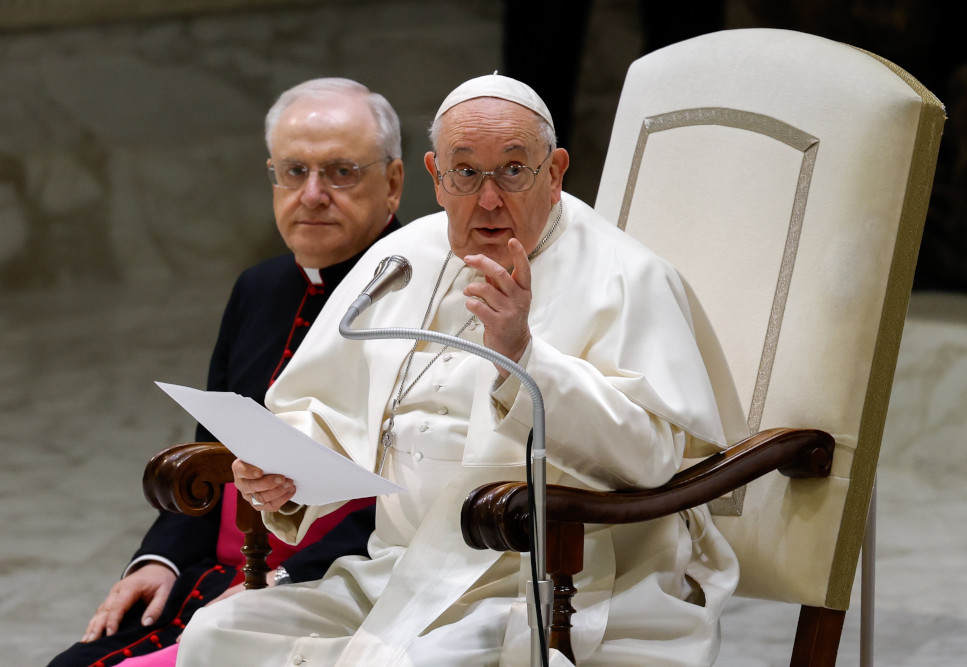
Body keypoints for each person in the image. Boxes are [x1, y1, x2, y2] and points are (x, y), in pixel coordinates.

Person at [176, 74, 743, 666]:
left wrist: (525, 353)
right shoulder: (403, 260)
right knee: (218, 634)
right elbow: (329, 410)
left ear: (555, 174)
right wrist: (281, 472)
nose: (489, 199)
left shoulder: (627, 275)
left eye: (514, 170)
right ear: (436, 177)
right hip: (399, 569)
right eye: (466, 172)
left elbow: (651, 455)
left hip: (543, 583)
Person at [48, 77, 404, 667]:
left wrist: (290, 576)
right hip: (217, 575)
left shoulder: (424, 298)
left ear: (392, 183)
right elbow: (210, 452)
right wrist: (157, 558)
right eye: (293, 171)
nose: (312, 194)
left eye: (341, 172)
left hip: (335, 588)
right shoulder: (259, 288)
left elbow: (417, 489)